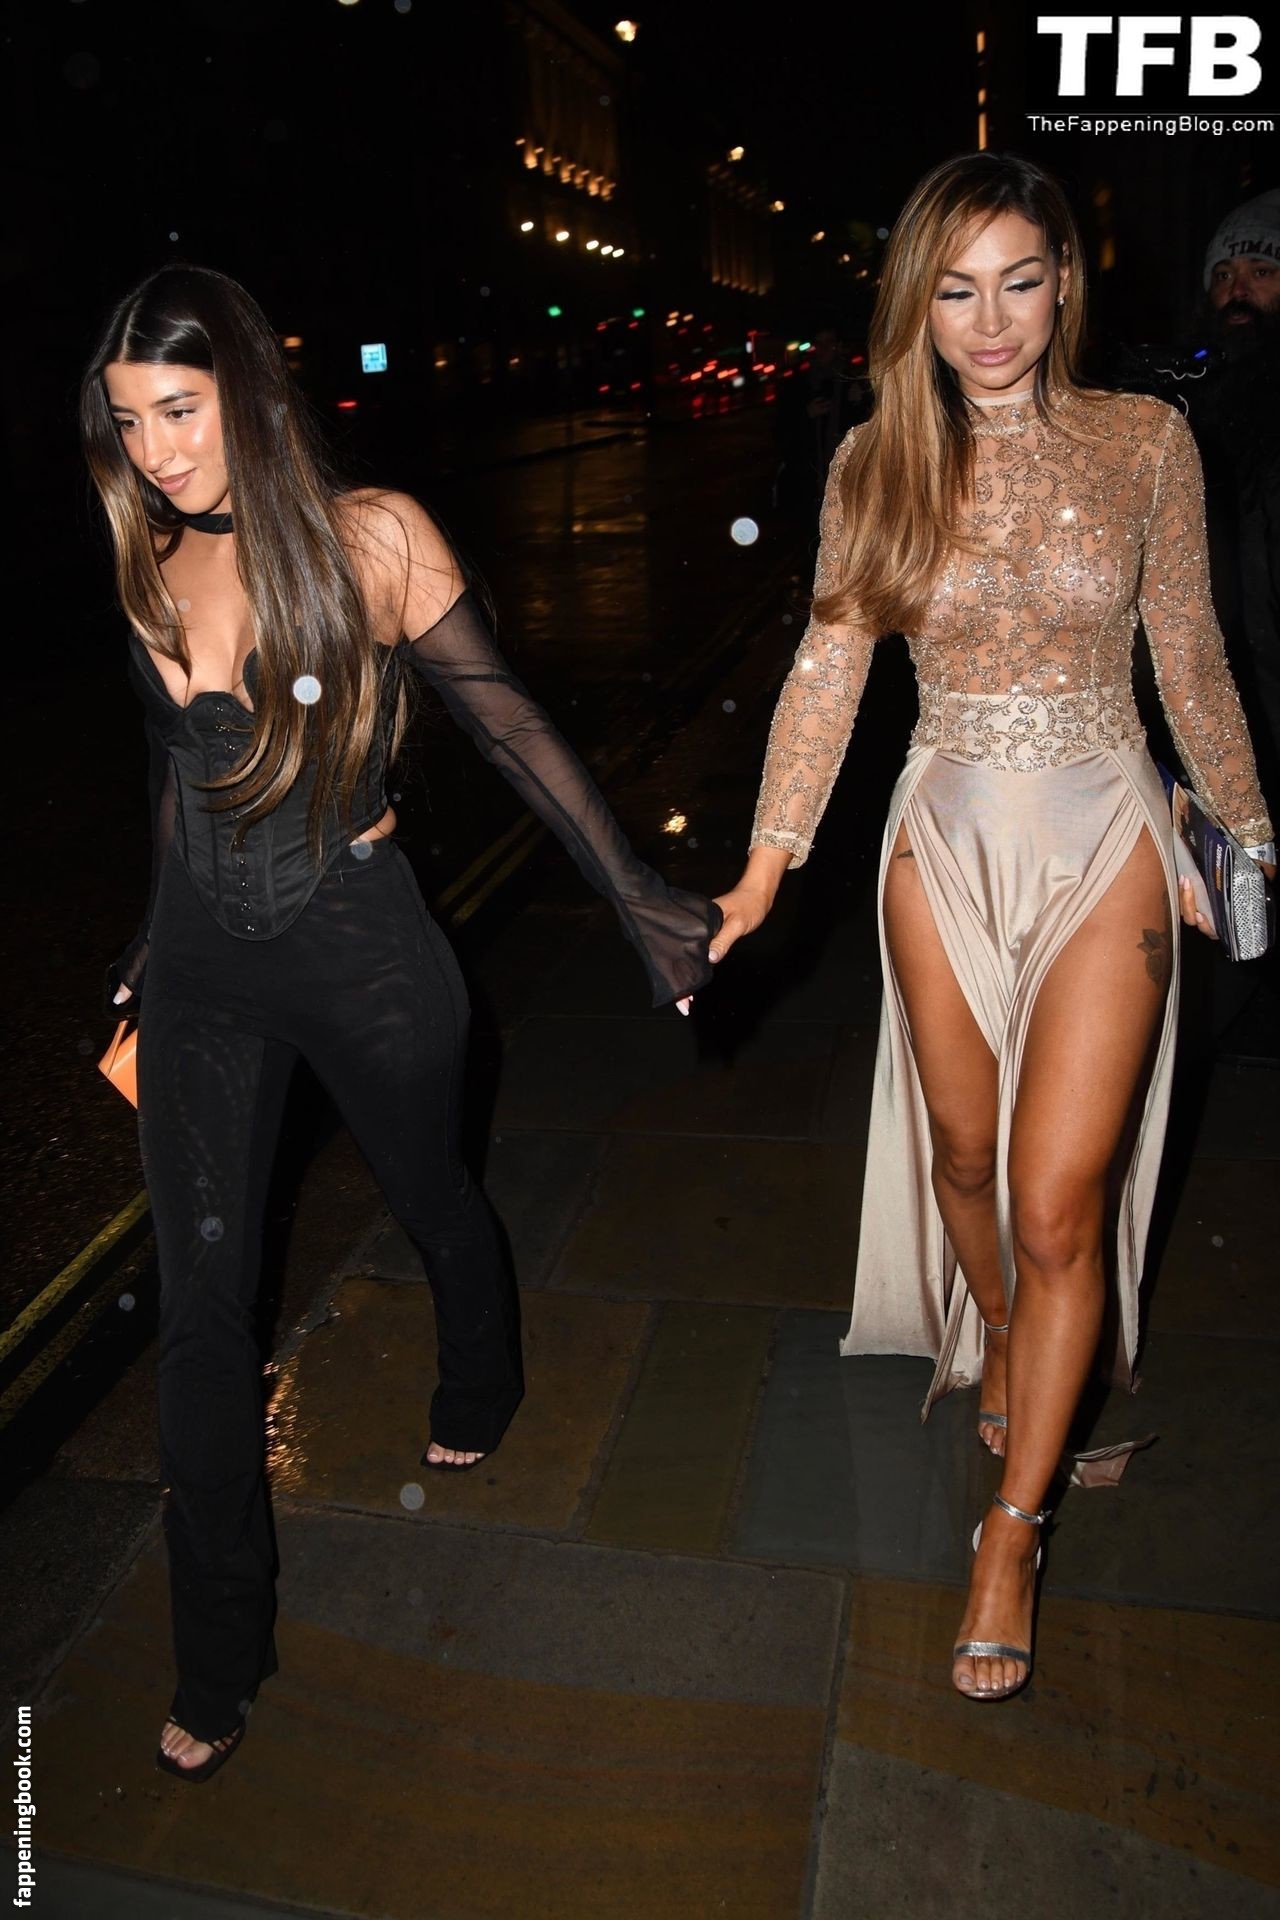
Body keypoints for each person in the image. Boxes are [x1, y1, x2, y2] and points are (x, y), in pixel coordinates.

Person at [81, 265, 721, 1779]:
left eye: (181, 410)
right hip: (205, 967)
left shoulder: (372, 536)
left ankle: (481, 1369)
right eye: (130, 423)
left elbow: (511, 729)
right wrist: (149, 948)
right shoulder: (151, 551)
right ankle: (217, 1655)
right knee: (203, 1311)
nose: (158, 452)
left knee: (430, 1193)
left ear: (247, 385)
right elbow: (176, 770)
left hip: (362, 947)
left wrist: (639, 900)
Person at [705, 153, 1275, 1702]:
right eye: (956, 290)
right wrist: (766, 866)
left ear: (1065, 284)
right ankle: (1019, 1349)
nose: (993, 319)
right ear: (917, 303)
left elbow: (1193, 658)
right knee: (965, 1160)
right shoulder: (877, 460)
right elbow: (828, 670)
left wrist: (1245, 839)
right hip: (942, 829)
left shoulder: (1146, 441)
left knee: (1055, 1200)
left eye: (1021, 280)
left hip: (1106, 831)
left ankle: (1011, 1532)